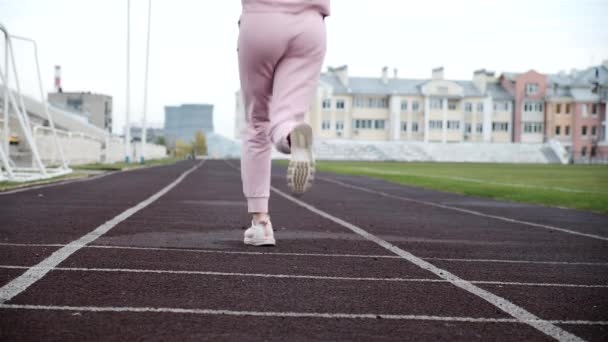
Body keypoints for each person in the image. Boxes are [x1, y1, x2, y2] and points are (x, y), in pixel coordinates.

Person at [237, 0, 330, 246]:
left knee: (258, 122)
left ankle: (261, 224)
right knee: (287, 117)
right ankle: (292, 134)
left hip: (261, 20)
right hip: (310, 27)